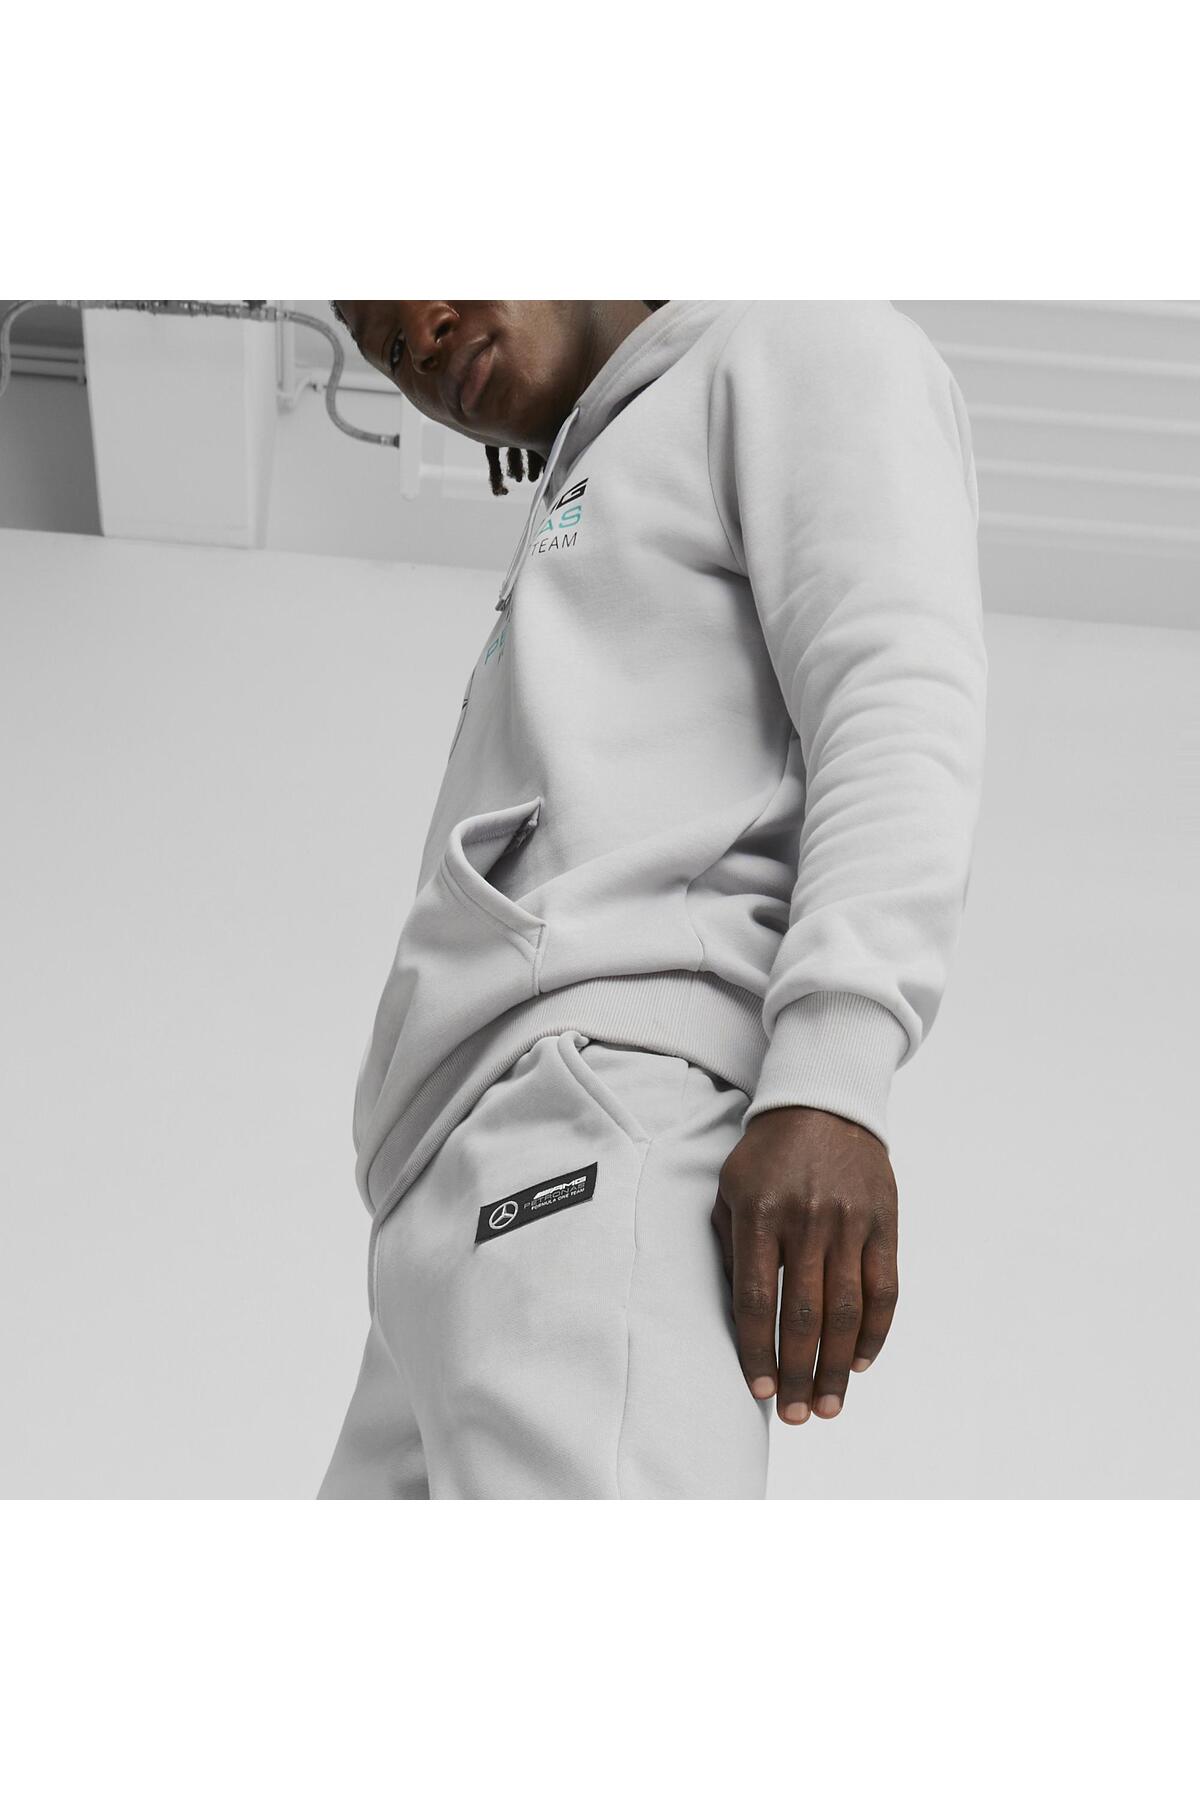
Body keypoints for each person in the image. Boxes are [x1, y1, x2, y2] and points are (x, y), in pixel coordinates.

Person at [317, 299, 988, 1500]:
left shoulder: (795, 337)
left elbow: (895, 693)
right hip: (430, 1199)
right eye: (381, 349)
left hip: (598, 1108)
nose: (418, 338)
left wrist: (831, 1080)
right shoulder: (594, 476)